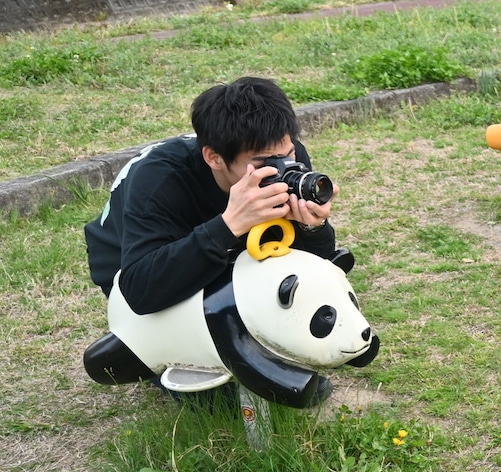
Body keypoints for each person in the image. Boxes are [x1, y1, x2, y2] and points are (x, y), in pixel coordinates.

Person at [85, 76, 337, 314]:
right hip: (126, 264)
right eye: (263, 162)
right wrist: (229, 225)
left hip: (214, 255)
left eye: (288, 153)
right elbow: (140, 291)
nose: (280, 168)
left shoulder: (291, 160)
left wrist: (312, 226)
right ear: (213, 158)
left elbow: (309, 261)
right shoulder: (158, 178)